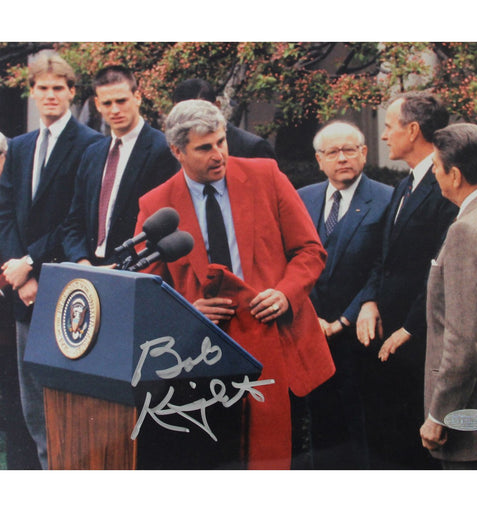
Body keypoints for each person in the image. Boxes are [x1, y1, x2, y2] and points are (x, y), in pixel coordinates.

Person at [133, 99, 335, 470]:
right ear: (177, 151)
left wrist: (285, 293)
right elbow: (146, 289)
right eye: (205, 147)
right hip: (199, 354)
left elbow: (309, 250)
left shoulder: (267, 176)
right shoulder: (156, 205)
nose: (219, 154)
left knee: (270, 459)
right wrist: (188, 311)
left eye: (222, 142)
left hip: (273, 340)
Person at [0, 51, 102, 469]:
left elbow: (76, 219)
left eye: (58, 88)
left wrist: (32, 263)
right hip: (24, 294)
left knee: (68, 406)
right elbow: (5, 210)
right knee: (32, 410)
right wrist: (16, 271)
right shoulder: (21, 146)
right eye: (42, 88)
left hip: (65, 288)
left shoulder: (90, 145)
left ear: (72, 92)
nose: (50, 96)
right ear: (33, 91)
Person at [355, 91, 458, 469]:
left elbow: (441, 268)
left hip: (421, 348)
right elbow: (384, 258)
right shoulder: (404, 186)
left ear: (413, 130)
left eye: (388, 126)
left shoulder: (447, 184)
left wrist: (411, 327)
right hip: (388, 345)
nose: (383, 136)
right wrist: (368, 299)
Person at [298, 121, 393, 469]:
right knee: (321, 434)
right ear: (319, 159)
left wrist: (343, 320)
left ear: (364, 154)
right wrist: (311, 318)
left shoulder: (386, 198)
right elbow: (291, 260)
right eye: (332, 152)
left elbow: (383, 266)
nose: (342, 159)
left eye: (349, 150)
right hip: (312, 334)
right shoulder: (302, 198)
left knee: (363, 434)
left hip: (361, 339)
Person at [421, 123, 477, 469]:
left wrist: (439, 414)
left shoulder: (468, 230)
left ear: (455, 175)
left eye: (435, 166)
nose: (433, 173)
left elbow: (465, 340)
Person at [62, 65, 178, 266]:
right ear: (97, 104)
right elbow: (74, 221)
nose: (115, 110)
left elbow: (160, 225)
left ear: (137, 97)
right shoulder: (92, 153)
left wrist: (118, 266)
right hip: (88, 268)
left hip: (133, 269)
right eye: (107, 103)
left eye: (121, 101)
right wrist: (82, 262)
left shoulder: (161, 150)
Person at [172, 78, 277, 159]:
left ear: (217, 106)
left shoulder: (253, 148)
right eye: (181, 116)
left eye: (196, 114)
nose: (189, 122)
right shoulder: (177, 151)